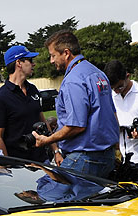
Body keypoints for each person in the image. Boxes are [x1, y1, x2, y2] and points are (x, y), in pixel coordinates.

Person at [32, 31, 119, 178]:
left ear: (66, 53)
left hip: (85, 158)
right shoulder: (98, 74)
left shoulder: (74, 79)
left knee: (48, 193)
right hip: (107, 156)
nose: (51, 61)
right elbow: (112, 114)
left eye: (53, 55)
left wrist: (48, 140)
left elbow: (76, 125)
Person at [0, 45, 49, 159]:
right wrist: (7, 164)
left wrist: (55, 150)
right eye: (30, 60)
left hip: (42, 160)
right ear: (19, 63)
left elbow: (42, 120)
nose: (33, 64)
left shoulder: (33, 89)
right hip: (20, 165)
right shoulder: (1, 98)